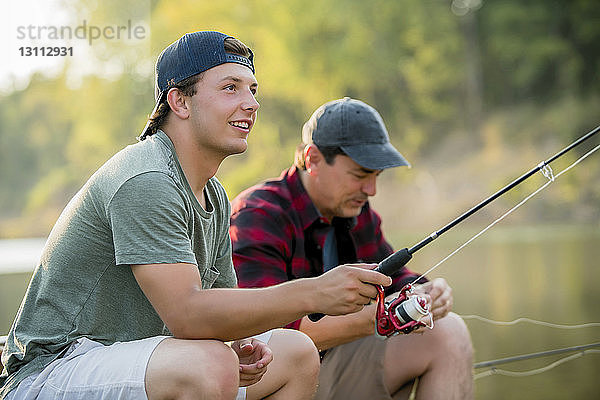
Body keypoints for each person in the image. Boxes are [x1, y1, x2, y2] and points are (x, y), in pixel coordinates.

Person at [0, 33, 393, 400]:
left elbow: (221, 304)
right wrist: (314, 291)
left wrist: (242, 343)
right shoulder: (146, 178)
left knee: (295, 351)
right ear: (180, 102)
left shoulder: (214, 195)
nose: (252, 103)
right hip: (49, 371)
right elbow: (188, 315)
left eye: (252, 89)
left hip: (140, 360)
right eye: (230, 88)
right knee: (208, 364)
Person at [230, 97, 474, 400]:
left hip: (334, 368)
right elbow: (262, 330)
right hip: (278, 377)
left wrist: (430, 292)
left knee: (448, 331)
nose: (371, 190)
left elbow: (397, 278)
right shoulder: (259, 214)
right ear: (313, 159)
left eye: (376, 176)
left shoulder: (356, 211)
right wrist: (387, 316)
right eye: (360, 175)